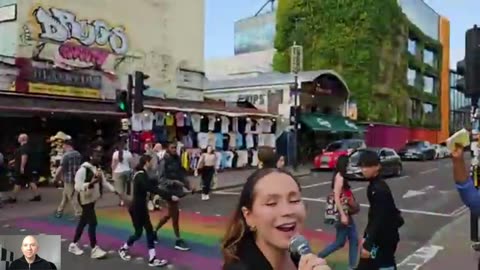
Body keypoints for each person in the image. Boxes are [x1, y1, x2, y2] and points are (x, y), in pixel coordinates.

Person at [221, 168, 330, 270]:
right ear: (248, 216)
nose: (287, 211)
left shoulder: (299, 258)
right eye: (271, 203)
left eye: (294, 200)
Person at [118, 154, 177, 267]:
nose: (152, 164)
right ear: (146, 162)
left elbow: (151, 186)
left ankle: (151, 257)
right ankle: (124, 249)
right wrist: (169, 196)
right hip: (137, 209)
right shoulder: (140, 176)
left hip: (140, 208)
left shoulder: (142, 174)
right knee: (139, 232)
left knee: (146, 231)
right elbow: (151, 188)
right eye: (151, 162)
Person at [68, 148, 122, 259]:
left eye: (100, 156)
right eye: (97, 156)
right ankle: (94, 248)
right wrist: (90, 183)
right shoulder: (83, 170)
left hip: (91, 199)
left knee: (83, 222)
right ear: (91, 157)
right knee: (93, 222)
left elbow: (104, 182)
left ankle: (73, 244)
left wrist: (114, 190)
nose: (99, 158)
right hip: (84, 199)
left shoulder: (97, 168)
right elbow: (77, 186)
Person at [356, 150, 404, 270]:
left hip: (384, 238)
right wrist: (367, 235)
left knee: (382, 263)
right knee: (370, 264)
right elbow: (374, 215)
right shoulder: (374, 186)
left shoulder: (378, 189)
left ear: (377, 167)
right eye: (362, 166)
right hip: (381, 236)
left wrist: (368, 243)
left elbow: (379, 218)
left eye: (367, 166)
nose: (364, 169)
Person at [318, 155, 358, 269]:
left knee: (352, 240)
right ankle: (320, 256)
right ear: (344, 164)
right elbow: (336, 196)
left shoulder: (341, 176)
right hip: (343, 213)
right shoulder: (339, 177)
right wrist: (343, 215)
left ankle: (352, 266)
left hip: (346, 213)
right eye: (348, 163)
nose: (350, 165)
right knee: (341, 242)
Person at [153, 142, 191, 251]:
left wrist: (189, 186)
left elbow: (181, 174)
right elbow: (161, 180)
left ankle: (154, 231)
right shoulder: (163, 162)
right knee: (174, 215)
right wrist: (174, 182)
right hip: (167, 191)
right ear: (167, 149)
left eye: (175, 147)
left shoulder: (177, 159)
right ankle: (178, 239)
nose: (174, 149)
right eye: (172, 148)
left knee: (170, 214)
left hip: (176, 191)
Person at [8, 134, 41, 203]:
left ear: (23, 139)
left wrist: (22, 167)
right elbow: (21, 156)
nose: (18, 138)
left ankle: (13, 198)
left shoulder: (24, 147)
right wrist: (14, 161)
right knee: (30, 181)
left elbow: (24, 157)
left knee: (18, 182)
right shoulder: (26, 147)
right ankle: (37, 196)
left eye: (19, 137)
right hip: (27, 168)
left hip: (23, 168)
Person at [54, 139, 83, 218]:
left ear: (67, 145)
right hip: (77, 177)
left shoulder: (65, 156)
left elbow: (61, 168)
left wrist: (56, 178)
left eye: (63, 145)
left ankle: (79, 212)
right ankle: (59, 210)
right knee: (66, 195)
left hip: (68, 178)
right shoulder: (78, 154)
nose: (63, 147)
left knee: (71, 196)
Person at [111, 139, 133, 206]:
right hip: (127, 171)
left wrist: (112, 172)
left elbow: (113, 165)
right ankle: (127, 199)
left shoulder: (115, 154)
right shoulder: (128, 153)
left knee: (119, 188)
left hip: (118, 172)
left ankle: (122, 200)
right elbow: (131, 164)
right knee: (126, 186)